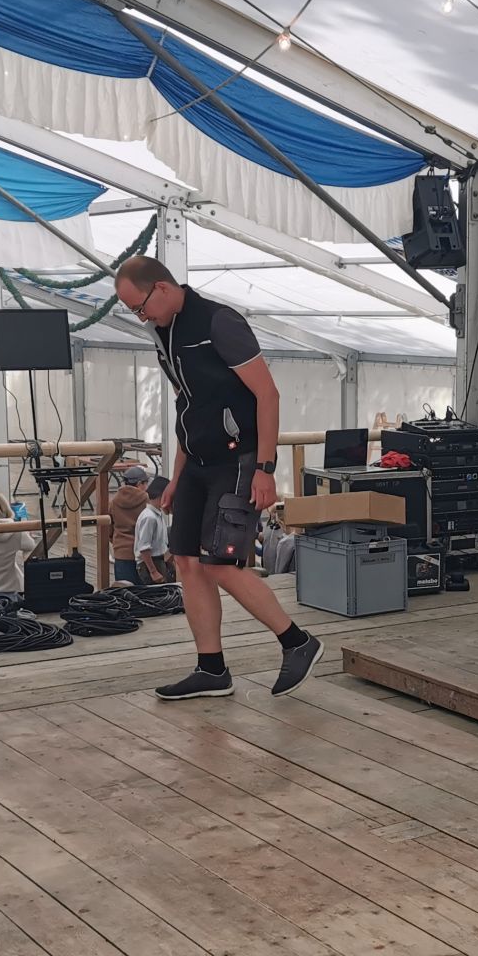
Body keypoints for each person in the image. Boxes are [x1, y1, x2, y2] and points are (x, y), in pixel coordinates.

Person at [113, 255, 321, 699]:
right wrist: (175, 477)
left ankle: (297, 642)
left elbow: (267, 394)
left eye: (140, 307)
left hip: (238, 462)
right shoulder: (162, 333)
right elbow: (186, 408)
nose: (141, 317)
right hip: (196, 465)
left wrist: (266, 468)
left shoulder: (219, 323)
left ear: (162, 288)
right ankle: (211, 669)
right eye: (133, 312)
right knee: (186, 562)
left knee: (221, 565)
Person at [106, 465, 153, 585]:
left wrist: (115, 540)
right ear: (139, 483)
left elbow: (109, 528)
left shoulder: (114, 501)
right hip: (143, 554)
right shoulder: (146, 500)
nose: (147, 486)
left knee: (124, 592)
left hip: (121, 553)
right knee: (145, 593)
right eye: (146, 483)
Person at [135, 482, 173, 585]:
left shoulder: (157, 514)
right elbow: (144, 547)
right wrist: (153, 571)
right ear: (162, 496)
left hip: (159, 560)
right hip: (150, 563)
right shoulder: (149, 517)